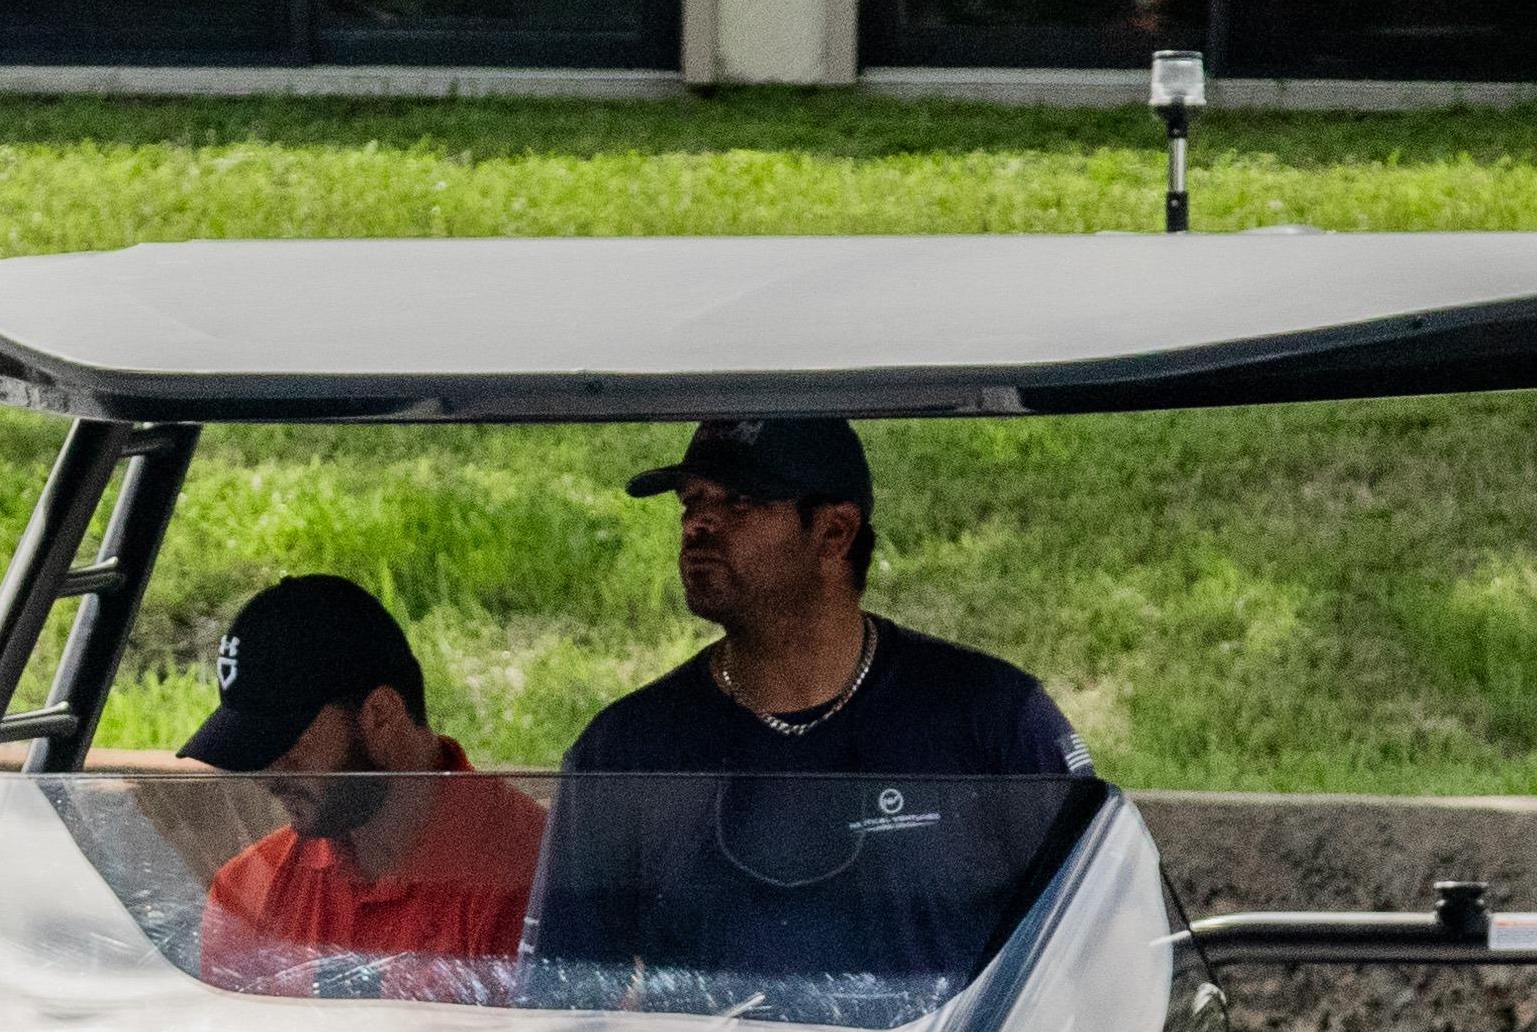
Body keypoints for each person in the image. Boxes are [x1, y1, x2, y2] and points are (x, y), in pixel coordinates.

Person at [527, 418, 1095, 989]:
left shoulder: (993, 716)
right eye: (691, 500)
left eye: (740, 503)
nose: (697, 523)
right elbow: (562, 1000)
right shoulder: (625, 750)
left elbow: (1100, 955)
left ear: (834, 532)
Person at [175, 574, 544, 1000]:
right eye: (253, 750)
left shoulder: (528, 880)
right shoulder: (245, 895)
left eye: (285, 742)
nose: (266, 774)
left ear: (381, 717)